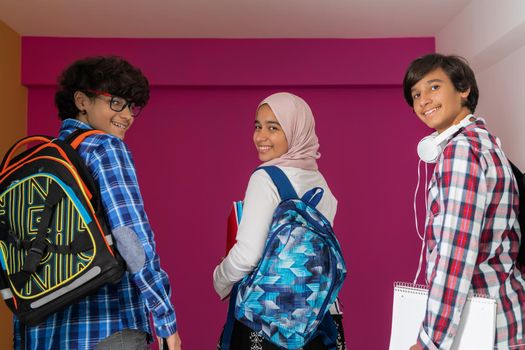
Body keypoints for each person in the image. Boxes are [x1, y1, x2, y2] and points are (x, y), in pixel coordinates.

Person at [13, 56, 182, 350]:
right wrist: (165, 316)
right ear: (82, 100)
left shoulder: (37, 161)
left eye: (132, 106)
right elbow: (131, 238)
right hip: (108, 326)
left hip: (40, 330)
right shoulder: (104, 147)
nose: (127, 115)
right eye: (116, 102)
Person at [403, 53, 525, 350]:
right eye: (416, 94)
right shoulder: (487, 143)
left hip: (480, 328)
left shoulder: (461, 152)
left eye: (433, 87)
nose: (422, 101)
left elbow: (455, 256)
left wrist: (429, 341)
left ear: (463, 89)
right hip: (505, 318)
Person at [213, 92, 345, 349]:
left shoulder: (265, 178)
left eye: (273, 128)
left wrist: (220, 277)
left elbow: (248, 255)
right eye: (258, 126)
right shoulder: (321, 184)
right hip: (314, 316)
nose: (260, 137)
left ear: (295, 130)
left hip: (267, 320)